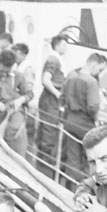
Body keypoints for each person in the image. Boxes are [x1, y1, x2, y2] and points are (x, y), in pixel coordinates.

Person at [60, 52, 107, 182]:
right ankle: (86, 191)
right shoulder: (91, 82)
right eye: (99, 69)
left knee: (72, 159)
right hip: (85, 125)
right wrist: (97, 121)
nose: (98, 73)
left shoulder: (70, 76)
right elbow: (93, 107)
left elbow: (62, 98)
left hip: (70, 121)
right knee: (90, 160)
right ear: (94, 64)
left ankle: (69, 188)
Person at [37, 34, 68, 170]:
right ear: (57, 45)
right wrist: (57, 94)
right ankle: (44, 165)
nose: (66, 47)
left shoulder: (56, 59)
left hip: (49, 100)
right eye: (64, 44)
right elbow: (46, 79)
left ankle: (42, 161)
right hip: (50, 101)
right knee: (49, 131)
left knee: (47, 131)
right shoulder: (54, 60)